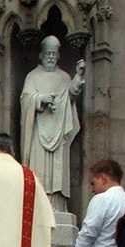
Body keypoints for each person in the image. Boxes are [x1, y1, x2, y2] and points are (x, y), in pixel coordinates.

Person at [19, 35, 85, 209]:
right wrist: (40, 99)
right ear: (41, 55)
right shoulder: (32, 77)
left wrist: (77, 76)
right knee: (38, 170)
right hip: (37, 131)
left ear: (58, 56)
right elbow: (25, 99)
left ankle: (57, 205)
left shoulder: (64, 77)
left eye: (53, 54)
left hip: (59, 130)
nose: (50, 57)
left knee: (58, 172)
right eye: (47, 53)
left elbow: (70, 95)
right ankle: (38, 205)